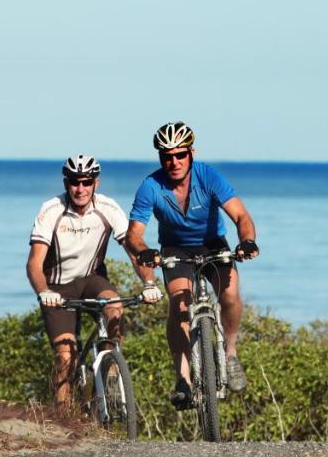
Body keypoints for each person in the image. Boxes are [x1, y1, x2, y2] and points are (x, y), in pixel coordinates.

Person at [126, 122, 260, 410]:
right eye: (167, 156)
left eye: (180, 155)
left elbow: (241, 216)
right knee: (179, 305)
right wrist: (144, 251)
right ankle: (183, 378)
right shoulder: (151, 186)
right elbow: (134, 234)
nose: (173, 162)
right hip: (175, 250)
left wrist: (247, 241)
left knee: (230, 296)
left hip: (213, 244)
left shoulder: (208, 176)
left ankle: (232, 353)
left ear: (191, 153)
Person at [27, 154, 163, 406]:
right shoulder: (51, 210)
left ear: (95, 183)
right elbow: (34, 262)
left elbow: (134, 252)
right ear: (66, 182)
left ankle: (110, 368)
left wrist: (149, 283)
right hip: (57, 287)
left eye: (86, 182)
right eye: (75, 182)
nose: (80, 189)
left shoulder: (108, 208)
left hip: (92, 279)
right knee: (66, 356)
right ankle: (62, 418)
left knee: (114, 306)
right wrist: (44, 290)